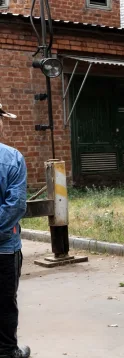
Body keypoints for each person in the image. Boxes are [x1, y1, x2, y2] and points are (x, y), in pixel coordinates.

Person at [0, 104, 30, 358]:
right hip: (4, 248)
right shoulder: (11, 157)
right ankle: (7, 351)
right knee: (4, 302)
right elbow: (15, 205)